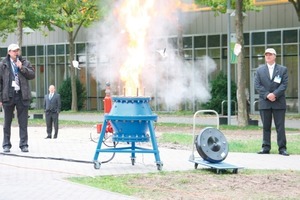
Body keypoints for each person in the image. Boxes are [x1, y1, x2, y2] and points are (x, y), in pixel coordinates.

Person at [0, 43, 35, 153]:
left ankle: (24, 144)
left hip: (22, 95)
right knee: (7, 122)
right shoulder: (3, 64)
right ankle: (6, 144)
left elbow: (32, 75)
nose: (16, 53)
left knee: (23, 122)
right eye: (14, 51)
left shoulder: (25, 62)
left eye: (17, 50)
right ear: (9, 52)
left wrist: (21, 68)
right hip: (8, 95)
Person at [254, 48, 289, 156]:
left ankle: (282, 148)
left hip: (278, 102)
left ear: (275, 56)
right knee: (266, 127)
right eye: (266, 55)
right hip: (265, 102)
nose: (268, 56)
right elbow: (257, 85)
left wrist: (274, 94)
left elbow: (284, 84)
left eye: (270, 54)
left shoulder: (283, 70)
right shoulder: (259, 70)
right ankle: (265, 147)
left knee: (280, 127)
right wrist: (267, 95)